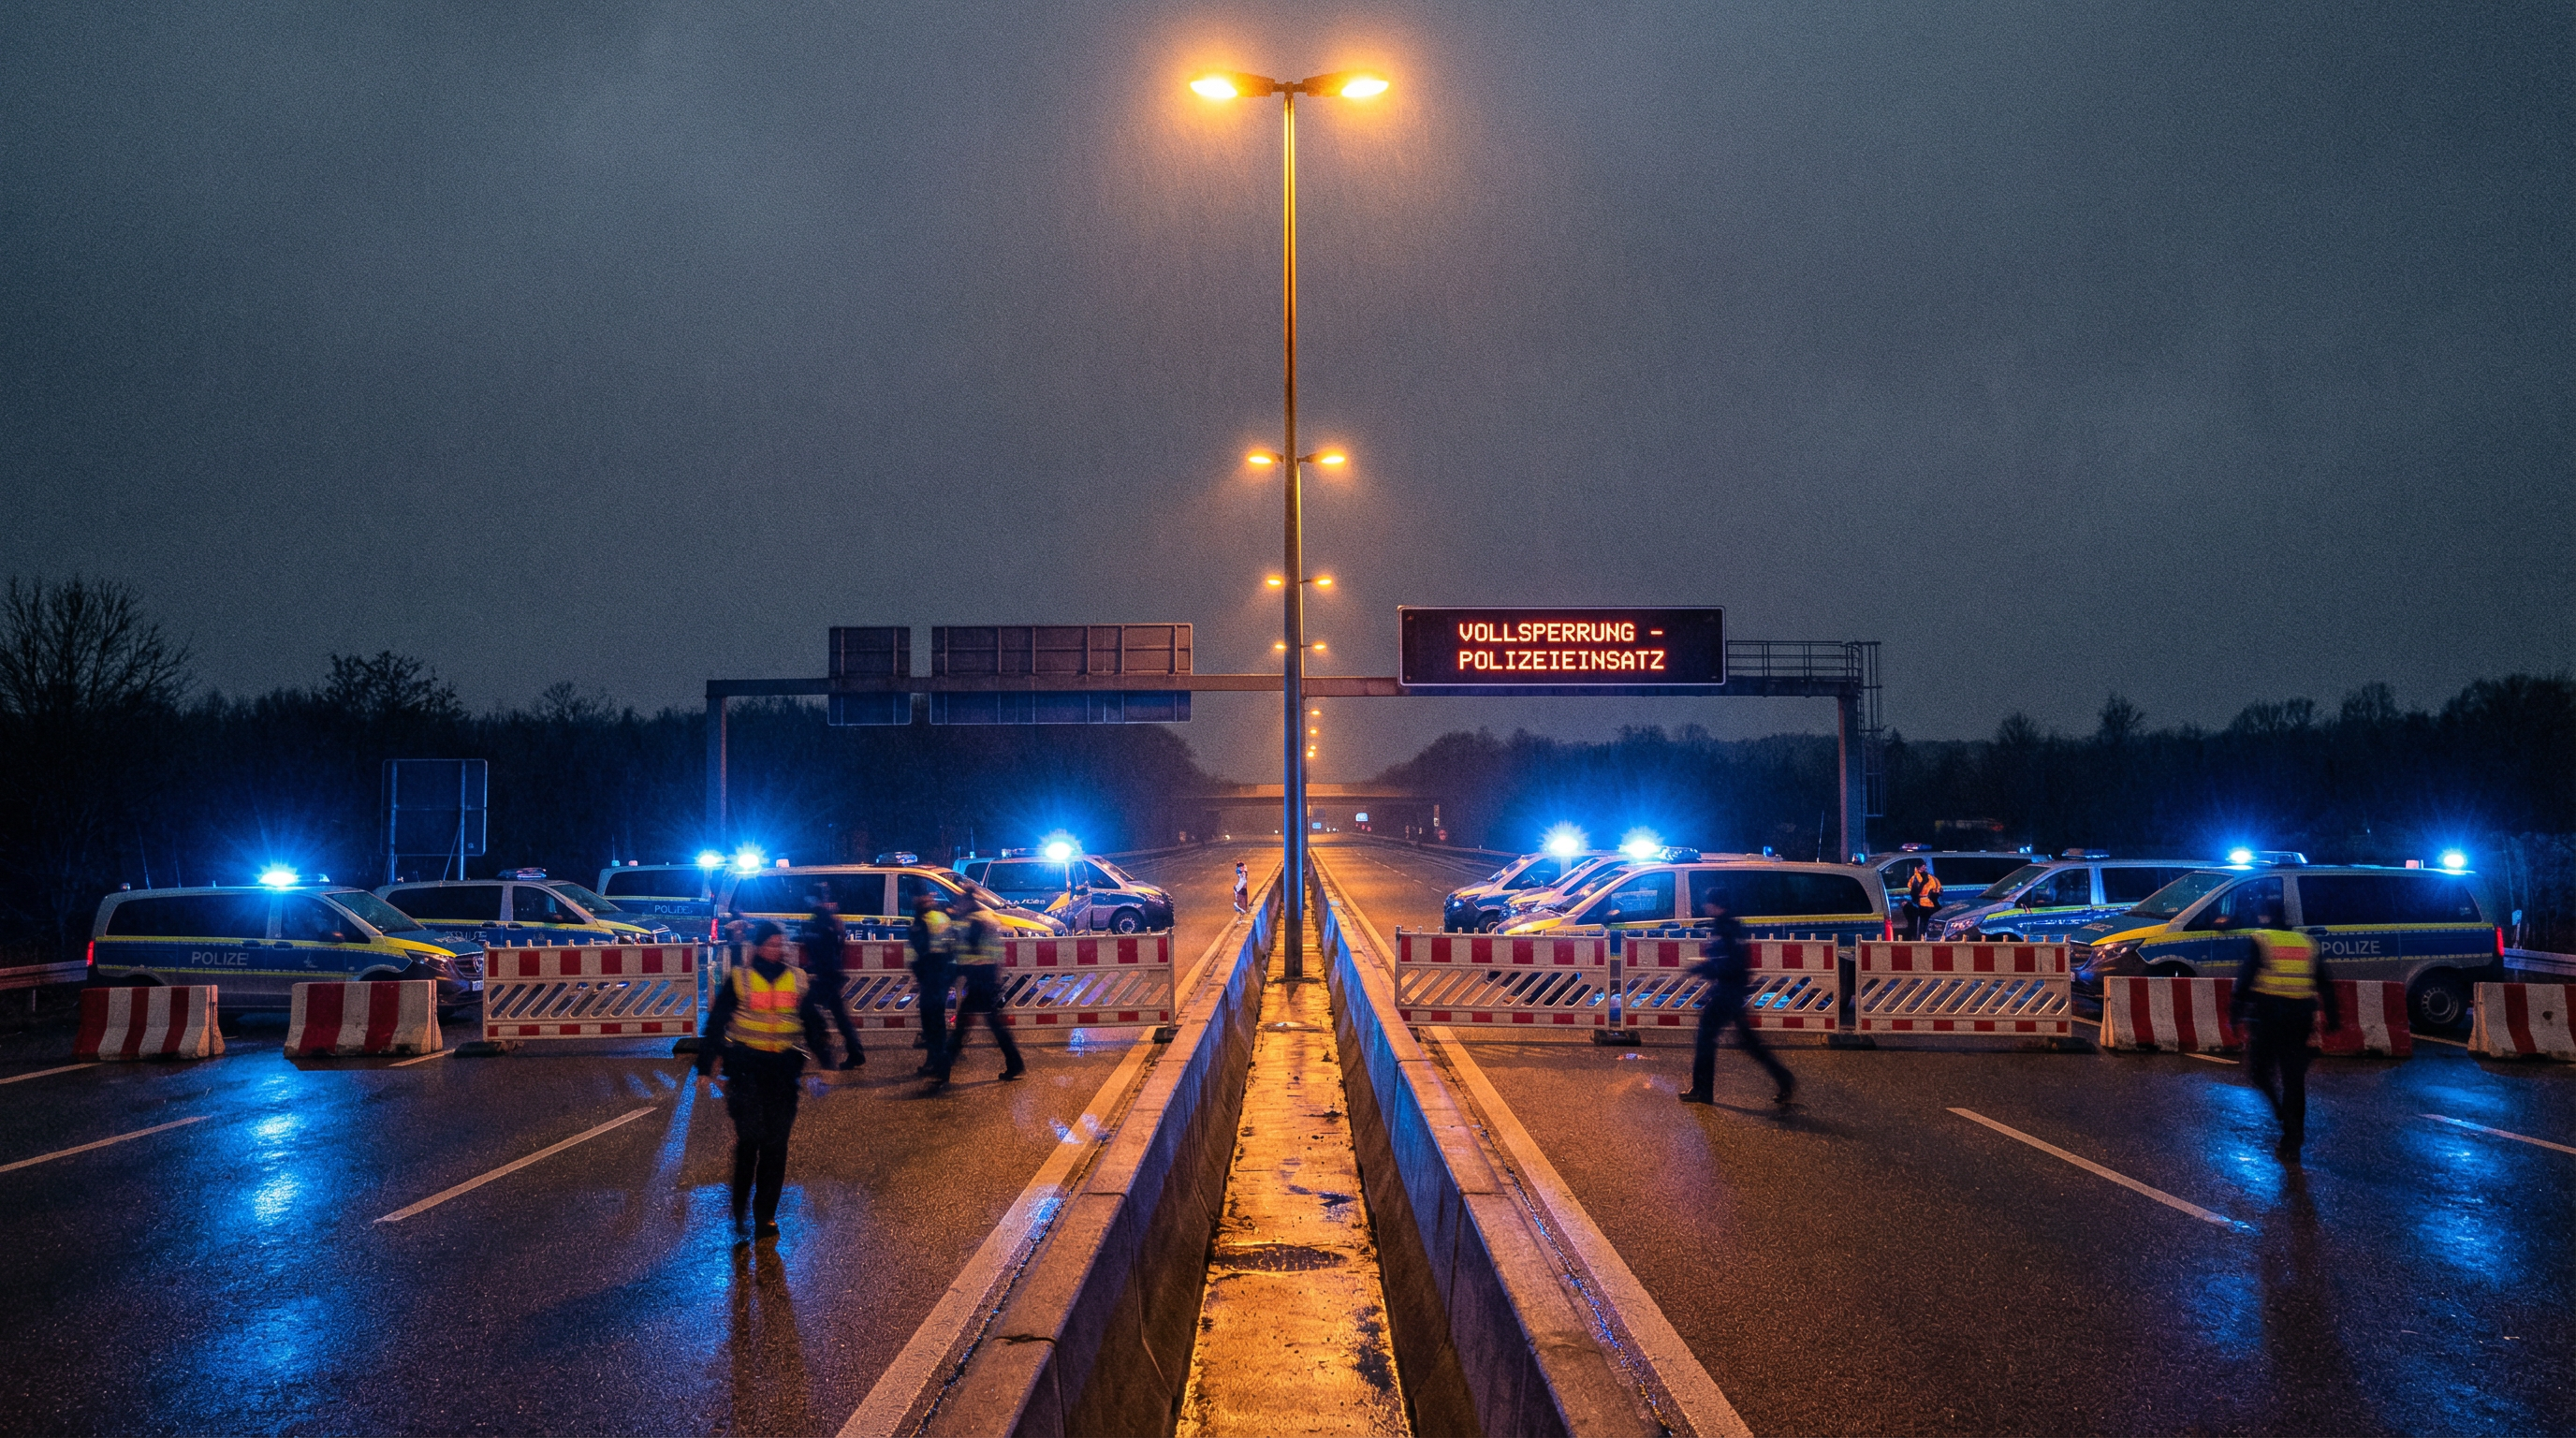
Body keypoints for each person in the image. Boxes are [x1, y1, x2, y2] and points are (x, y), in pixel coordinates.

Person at [695, 921, 832, 1240]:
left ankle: (765, 1215)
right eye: (770, 944)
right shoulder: (741, 978)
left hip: (783, 1071)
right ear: (758, 947)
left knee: (776, 1143)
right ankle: (740, 1203)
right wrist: (705, 1067)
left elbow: (812, 1022)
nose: (776, 949)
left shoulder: (797, 979)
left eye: (780, 944)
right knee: (750, 1139)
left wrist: (826, 1061)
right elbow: (716, 1023)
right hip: (747, 1070)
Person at [2229, 902, 2340, 1163]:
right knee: (2294, 1079)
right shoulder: (2307, 942)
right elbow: (2324, 983)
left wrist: (2235, 1013)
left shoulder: (2261, 939)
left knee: (2259, 1072)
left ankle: (2280, 1110)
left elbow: (2246, 978)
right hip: (2300, 1017)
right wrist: (2333, 1018)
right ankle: (2293, 1136)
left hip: (2269, 1016)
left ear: (2265, 917)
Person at [1677, 892, 1795, 1108]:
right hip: (1732, 991)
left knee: (1705, 1038)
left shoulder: (1725, 928)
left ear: (1716, 905)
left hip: (1727, 992)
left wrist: (1703, 969)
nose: (1705, 906)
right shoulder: (1729, 926)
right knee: (1748, 1042)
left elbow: (1728, 963)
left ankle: (1702, 1090)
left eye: (1708, 902)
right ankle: (1784, 1078)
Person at [932, 894, 1024, 1087]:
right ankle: (1015, 1063)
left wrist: (955, 970)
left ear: (967, 902)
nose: (958, 906)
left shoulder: (974, 922)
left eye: (960, 903)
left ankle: (943, 1069)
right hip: (987, 976)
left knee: (964, 1026)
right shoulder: (985, 918)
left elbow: (970, 950)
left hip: (979, 977)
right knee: (990, 1025)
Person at [802, 884, 864, 1070]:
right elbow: (838, 944)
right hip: (830, 973)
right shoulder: (830, 919)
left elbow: (818, 945)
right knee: (838, 1015)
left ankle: (825, 1046)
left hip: (824, 975)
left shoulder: (819, 919)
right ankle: (854, 1052)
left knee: (806, 1008)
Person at [907, 890, 953, 1074]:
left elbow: (921, 949)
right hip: (942, 973)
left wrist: (919, 972)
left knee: (930, 1020)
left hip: (931, 975)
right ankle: (938, 1060)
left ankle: (936, 1062)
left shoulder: (923, 920)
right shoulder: (942, 917)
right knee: (937, 1019)